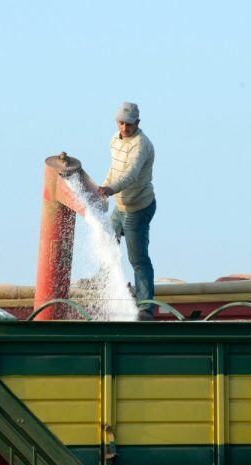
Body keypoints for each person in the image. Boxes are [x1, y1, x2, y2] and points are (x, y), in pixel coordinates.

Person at [98, 102, 156, 321]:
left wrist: (109, 189)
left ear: (137, 123)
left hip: (137, 208)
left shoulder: (141, 145)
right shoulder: (115, 140)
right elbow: (115, 169)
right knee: (107, 241)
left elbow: (130, 174)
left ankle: (146, 308)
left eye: (129, 124)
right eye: (121, 123)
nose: (125, 128)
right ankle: (104, 283)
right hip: (121, 206)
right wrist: (102, 189)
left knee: (138, 259)